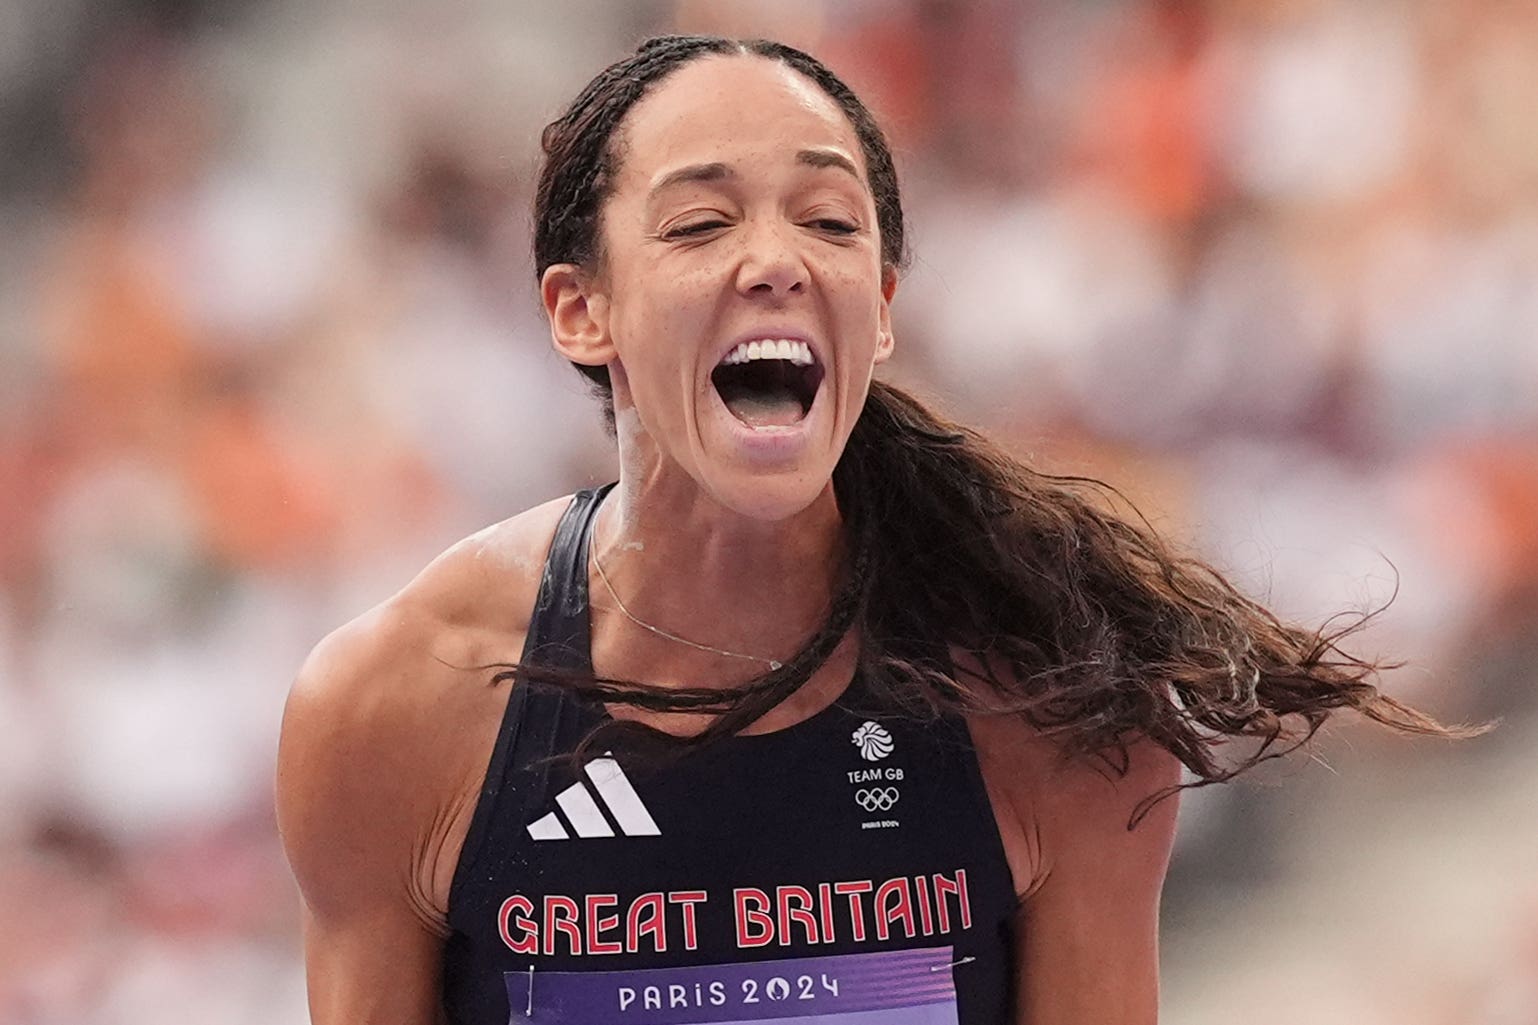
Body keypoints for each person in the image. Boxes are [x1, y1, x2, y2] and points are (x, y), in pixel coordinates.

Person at [275, 35, 1457, 1025]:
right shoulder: (394, 709)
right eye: (698, 225)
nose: (776, 260)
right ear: (581, 309)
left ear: (880, 309)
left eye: (830, 222)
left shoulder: (1046, 703)